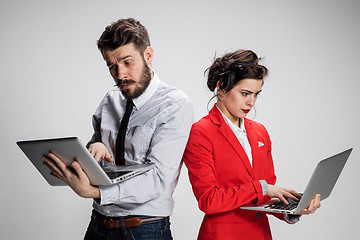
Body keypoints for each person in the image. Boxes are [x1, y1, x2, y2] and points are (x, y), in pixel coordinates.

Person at [42, 18, 194, 240]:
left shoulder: (175, 104)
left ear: (148, 56)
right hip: (99, 223)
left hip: (144, 228)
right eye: (112, 66)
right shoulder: (110, 100)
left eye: (127, 62)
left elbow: (158, 179)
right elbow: (93, 157)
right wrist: (93, 149)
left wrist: (94, 192)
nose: (120, 74)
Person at [182, 49, 321, 240]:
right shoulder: (202, 132)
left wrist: (293, 209)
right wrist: (262, 189)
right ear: (222, 88)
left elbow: (264, 196)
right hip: (222, 235)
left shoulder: (260, 131)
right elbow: (209, 200)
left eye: (256, 94)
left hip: (260, 234)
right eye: (245, 93)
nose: (251, 102)